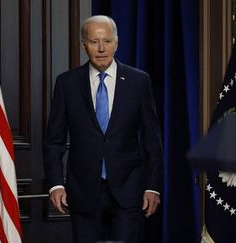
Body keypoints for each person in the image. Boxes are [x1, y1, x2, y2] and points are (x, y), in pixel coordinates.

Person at [44, 15, 163, 243]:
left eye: (107, 41)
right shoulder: (66, 83)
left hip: (128, 191)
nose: (101, 48)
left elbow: (152, 141)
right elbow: (54, 140)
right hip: (83, 191)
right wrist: (55, 184)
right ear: (83, 45)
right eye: (94, 41)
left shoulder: (139, 82)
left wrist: (153, 187)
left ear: (116, 44)